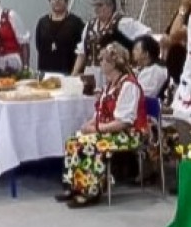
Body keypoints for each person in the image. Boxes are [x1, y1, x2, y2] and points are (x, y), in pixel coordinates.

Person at [56, 43, 148, 208]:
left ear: (114, 63)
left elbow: (123, 122)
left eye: (104, 60)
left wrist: (96, 129)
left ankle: (90, 191)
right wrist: (89, 125)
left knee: (89, 144)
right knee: (73, 140)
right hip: (112, 129)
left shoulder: (128, 85)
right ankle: (75, 186)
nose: (100, 63)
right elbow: (101, 112)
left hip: (130, 133)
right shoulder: (110, 84)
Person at [71, 0, 151, 82]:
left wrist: (132, 57)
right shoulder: (90, 25)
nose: (96, 9)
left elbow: (147, 35)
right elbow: (82, 52)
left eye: (100, 5)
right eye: (95, 5)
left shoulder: (122, 22)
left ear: (111, 6)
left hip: (112, 72)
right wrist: (74, 73)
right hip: (90, 72)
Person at [34, 0, 85, 74]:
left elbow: (82, 48)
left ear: (66, 1)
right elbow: (38, 45)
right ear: (49, 1)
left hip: (69, 70)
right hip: (45, 70)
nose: (57, 0)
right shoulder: (42, 22)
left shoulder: (76, 22)